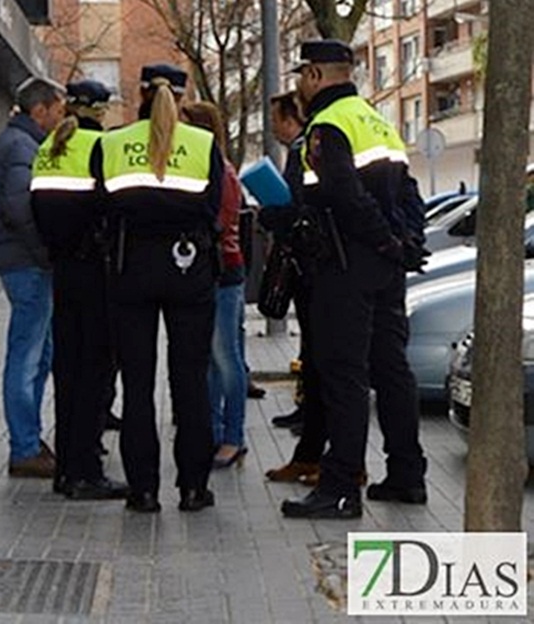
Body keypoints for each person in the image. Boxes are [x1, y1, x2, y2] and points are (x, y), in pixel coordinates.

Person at [281, 40, 428, 519]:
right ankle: (407, 476)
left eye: (304, 73)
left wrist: (385, 241)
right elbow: (409, 191)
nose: (300, 83)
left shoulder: (327, 126)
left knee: (343, 375)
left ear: (319, 76)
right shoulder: (377, 120)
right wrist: (404, 242)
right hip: (384, 268)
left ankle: (340, 488)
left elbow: (344, 197)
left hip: (345, 266)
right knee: (391, 371)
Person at [100, 64, 224, 513]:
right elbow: (214, 208)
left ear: (140, 94)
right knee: (190, 381)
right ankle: (193, 488)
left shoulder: (112, 143)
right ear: (182, 95)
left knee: (137, 384)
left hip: (131, 267)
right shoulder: (203, 144)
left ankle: (144, 490)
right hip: (189, 267)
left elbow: (103, 208)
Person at [31, 80, 128, 500]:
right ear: (102, 112)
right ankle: (86, 470)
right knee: (96, 371)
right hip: (97, 271)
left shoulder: (48, 148)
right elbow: (113, 209)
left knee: (67, 371)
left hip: (63, 271)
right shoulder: (100, 148)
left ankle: (66, 471)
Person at [0, 78, 67, 478]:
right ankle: (25, 446)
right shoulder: (21, 147)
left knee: (38, 352)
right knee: (28, 354)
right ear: (40, 111)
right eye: (58, 110)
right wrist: (46, 253)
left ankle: (30, 439)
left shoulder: (19, 143)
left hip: (23, 261)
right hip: (27, 263)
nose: (61, 118)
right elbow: (21, 210)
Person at [262, 92, 331, 486]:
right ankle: (311, 453)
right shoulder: (313, 145)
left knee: (324, 365)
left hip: (312, 268)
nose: (273, 125)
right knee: (318, 362)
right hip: (319, 267)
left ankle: (319, 459)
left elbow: (295, 207)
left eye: (276, 117)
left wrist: (273, 215)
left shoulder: (307, 149)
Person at [181, 102, 248, 469]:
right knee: (213, 358)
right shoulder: (213, 167)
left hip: (222, 272)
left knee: (225, 358)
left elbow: (218, 223)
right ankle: (216, 429)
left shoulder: (220, 170)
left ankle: (233, 436)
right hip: (216, 272)